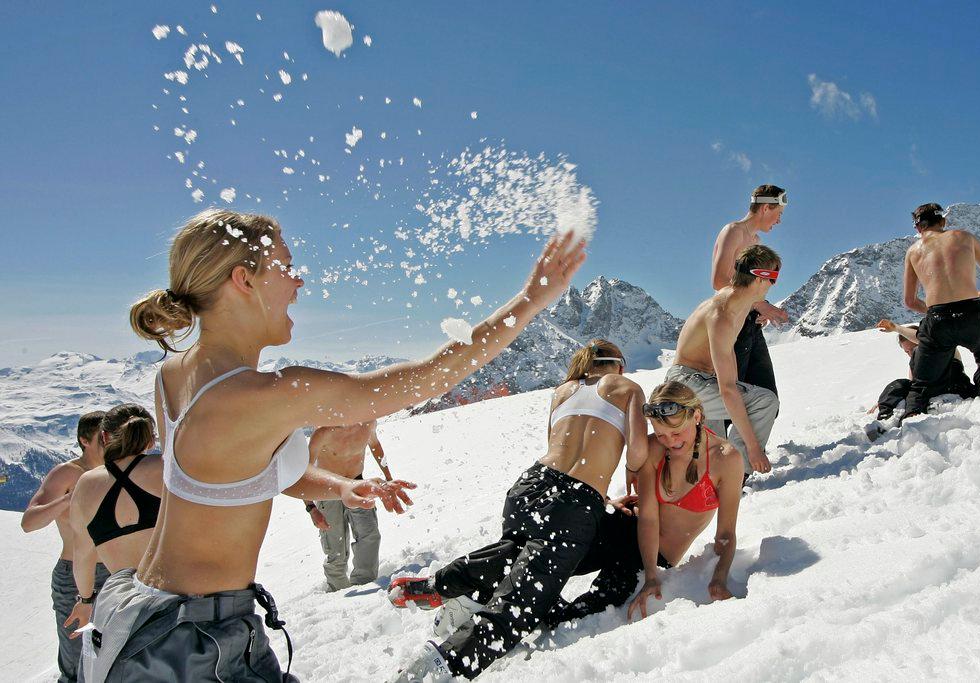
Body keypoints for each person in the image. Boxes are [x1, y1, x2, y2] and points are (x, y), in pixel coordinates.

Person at [81, 208, 584, 682]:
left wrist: (339, 487)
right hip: (192, 645)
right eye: (287, 266)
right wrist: (531, 299)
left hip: (148, 615)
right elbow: (425, 378)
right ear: (244, 279)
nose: (298, 284)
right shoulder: (261, 394)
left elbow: (223, 477)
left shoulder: (176, 375)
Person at [388, 339, 648, 681]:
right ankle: (443, 666)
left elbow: (559, 447)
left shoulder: (563, 390)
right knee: (523, 599)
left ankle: (441, 586)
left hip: (529, 488)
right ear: (619, 365)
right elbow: (637, 457)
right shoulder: (627, 387)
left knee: (515, 555)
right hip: (573, 503)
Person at [542, 381, 744, 626]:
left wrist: (718, 578)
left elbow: (725, 534)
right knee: (549, 560)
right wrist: (650, 575)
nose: (670, 441)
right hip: (628, 526)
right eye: (661, 434)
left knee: (586, 610)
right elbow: (648, 518)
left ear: (697, 415)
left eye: (677, 432)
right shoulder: (653, 447)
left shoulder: (726, 458)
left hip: (654, 554)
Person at [665, 244, 782, 476]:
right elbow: (727, 389)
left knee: (714, 450)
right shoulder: (722, 314)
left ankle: (719, 481)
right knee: (764, 401)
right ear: (760, 278)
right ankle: (738, 474)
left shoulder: (738, 302)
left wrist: (759, 312)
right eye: (774, 278)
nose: (773, 285)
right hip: (688, 385)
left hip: (696, 382)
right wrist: (754, 447)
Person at [20, 411, 110, 683]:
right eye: (103, 437)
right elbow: (29, 522)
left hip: (116, 573)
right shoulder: (68, 472)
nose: (109, 442)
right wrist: (66, 500)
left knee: (114, 654)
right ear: (85, 440)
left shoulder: (119, 469)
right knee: (76, 660)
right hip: (74, 576)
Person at [65, 404, 163, 641]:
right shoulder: (165, 467)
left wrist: (86, 600)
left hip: (124, 607)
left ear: (105, 437)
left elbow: (83, 556)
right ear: (150, 440)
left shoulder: (86, 484)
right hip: (173, 596)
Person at [901, 203, 980, 421]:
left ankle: (911, 417)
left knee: (921, 383)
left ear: (918, 228)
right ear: (943, 222)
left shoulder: (913, 252)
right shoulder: (964, 237)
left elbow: (910, 301)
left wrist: (933, 312)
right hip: (973, 313)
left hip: (938, 320)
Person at [709, 185, 789, 396]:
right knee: (732, 397)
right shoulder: (733, 231)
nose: (779, 221)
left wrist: (761, 308)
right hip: (732, 323)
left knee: (767, 395)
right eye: (778, 214)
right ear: (765, 208)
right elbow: (719, 281)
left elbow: (749, 288)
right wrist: (758, 304)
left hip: (750, 323)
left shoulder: (756, 242)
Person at [304, 422, 392, 590]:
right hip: (328, 490)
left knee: (370, 536)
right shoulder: (324, 431)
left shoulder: (368, 423)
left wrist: (389, 478)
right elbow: (305, 471)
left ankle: (365, 585)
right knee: (335, 548)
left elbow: (376, 446)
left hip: (358, 484)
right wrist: (311, 508)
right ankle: (337, 593)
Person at [870, 320, 977, 422]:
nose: (911, 354)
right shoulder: (915, 363)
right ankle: (885, 418)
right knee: (898, 384)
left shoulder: (943, 349)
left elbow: (926, 340)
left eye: (913, 349)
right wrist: (887, 399)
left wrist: (896, 328)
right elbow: (913, 386)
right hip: (928, 391)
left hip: (953, 385)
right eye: (907, 352)